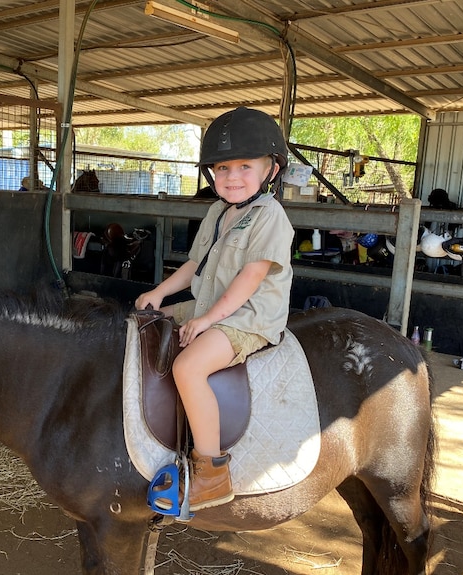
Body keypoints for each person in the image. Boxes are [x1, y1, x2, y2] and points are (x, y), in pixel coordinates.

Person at [135, 107, 294, 511]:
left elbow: (249, 281)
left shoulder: (270, 216)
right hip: (209, 304)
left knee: (188, 367)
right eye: (222, 168)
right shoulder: (218, 212)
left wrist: (205, 321)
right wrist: (159, 294)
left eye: (244, 166)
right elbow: (193, 268)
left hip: (248, 317)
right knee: (144, 321)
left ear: (270, 170)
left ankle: (212, 472)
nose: (232, 177)